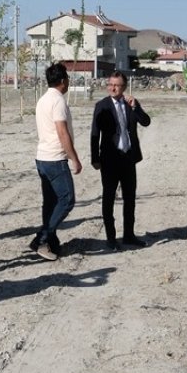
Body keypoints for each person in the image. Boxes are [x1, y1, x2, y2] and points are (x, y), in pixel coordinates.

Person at [90, 70, 152, 250]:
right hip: (109, 160)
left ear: (124, 87)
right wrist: (95, 158)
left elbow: (146, 122)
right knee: (109, 198)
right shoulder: (102, 106)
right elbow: (95, 134)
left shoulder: (129, 104)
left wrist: (136, 107)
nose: (112, 88)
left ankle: (129, 235)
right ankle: (111, 237)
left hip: (128, 158)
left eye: (116, 85)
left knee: (130, 198)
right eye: (110, 84)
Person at [31, 62, 81, 261]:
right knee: (67, 199)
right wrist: (74, 157)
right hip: (55, 158)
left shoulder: (43, 99)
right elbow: (62, 132)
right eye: (67, 77)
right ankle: (42, 239)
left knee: (50, 202)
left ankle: (50, 242)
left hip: (42, 157)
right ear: (63, 81)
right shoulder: (58, 101)